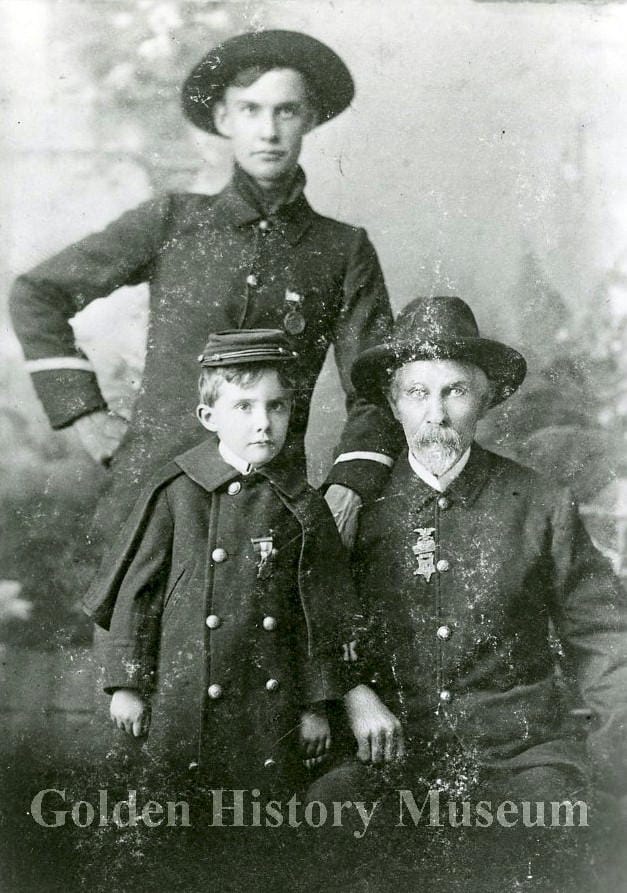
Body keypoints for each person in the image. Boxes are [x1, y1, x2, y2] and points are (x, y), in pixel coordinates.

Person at [9, 29, 399, 547]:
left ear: (309, 119)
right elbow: (36, 293)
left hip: (268, 515)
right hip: (149, 501)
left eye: (286, 111)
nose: (269, 131)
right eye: (251, 110)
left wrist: (352, 480)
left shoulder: (342, 248)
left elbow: (376, 381)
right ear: (223, 120)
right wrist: (84, 414)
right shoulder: (172, 221)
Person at [316, 296, 627, 889]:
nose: (436, 414)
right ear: (391, 403)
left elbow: (608, 638)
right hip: (390, 751)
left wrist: (613, 755)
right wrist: (352, 690)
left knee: (556, 827)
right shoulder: (356, 510)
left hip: (518, 752)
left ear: (486, 399)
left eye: (455, 391)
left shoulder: (538, 503)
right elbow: (317, 625)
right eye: (417, 393)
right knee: (329, 816)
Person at [83, 329, 399, 794]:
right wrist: (127, 684)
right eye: (244, 406)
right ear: (209, 416)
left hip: (271, 710)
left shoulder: (304, 505)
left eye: (277, 406)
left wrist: (315, 707)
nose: (264, 423)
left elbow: (321, 613)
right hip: (184, 700)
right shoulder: (178, 492)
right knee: (179, 817)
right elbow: (137, 591)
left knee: (261, 823)